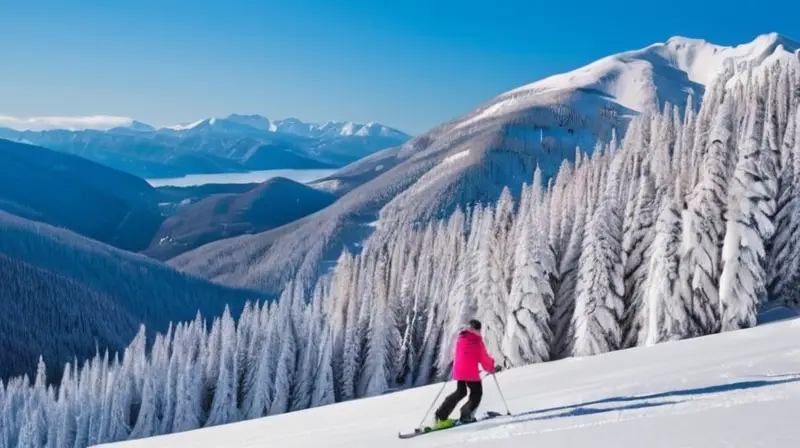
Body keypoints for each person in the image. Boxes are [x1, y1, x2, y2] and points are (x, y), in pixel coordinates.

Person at [433, 319, 500, 429]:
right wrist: (491, 367)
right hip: (470, 372)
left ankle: (441, 415)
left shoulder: (461, 337)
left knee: (460, 392)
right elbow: (484, 359)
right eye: (479, 329)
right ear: (476, 329)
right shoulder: (477, 341)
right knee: (476, 393)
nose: (479, 332)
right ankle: (466, 415)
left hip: (459, 371)